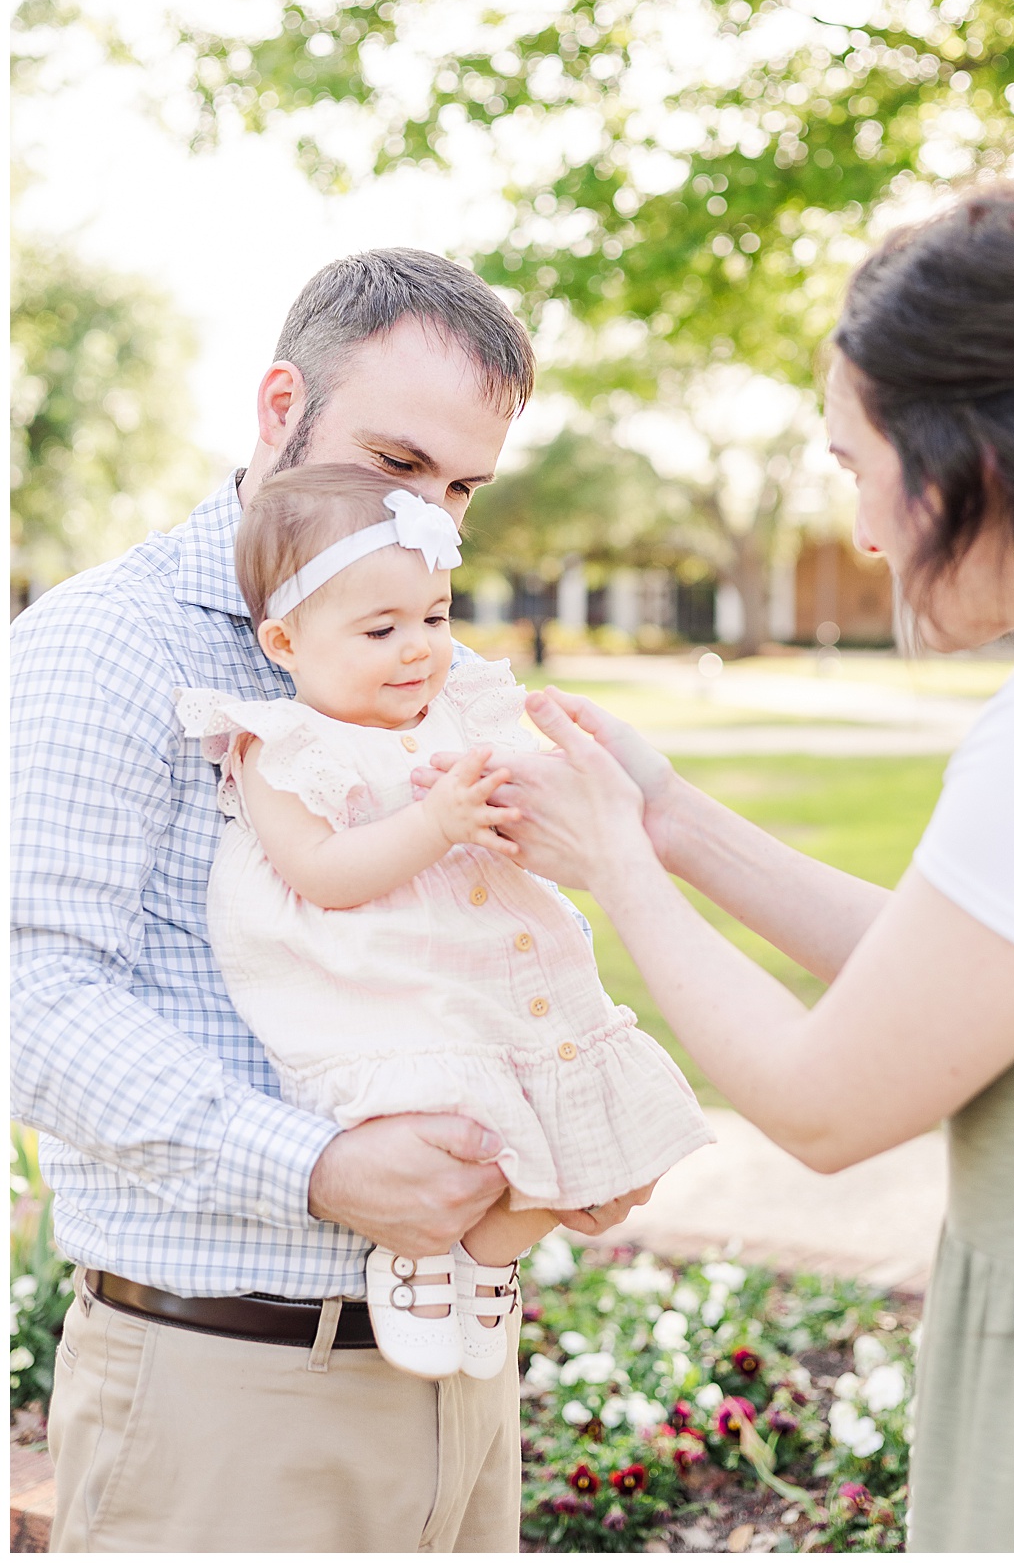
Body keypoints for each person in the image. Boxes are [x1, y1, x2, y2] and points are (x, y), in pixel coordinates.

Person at [453, 181, 1014, 1552]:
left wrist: (619, 863)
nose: (860, 529)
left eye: (854, 466)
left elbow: (825, 1106)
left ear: (960, 456)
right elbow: (943, 968)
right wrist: (670, 816)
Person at [10, 248, 650, 1554]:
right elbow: (27, 996)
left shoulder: (436, 664)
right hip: (228, 1393)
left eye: (462, 487)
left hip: (462, 1370)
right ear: (278, 406)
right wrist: (320, 1167)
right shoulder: (103, 643)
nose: (429, 516)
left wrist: (560, 1110)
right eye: (398, 463)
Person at [175, 464, 709, 1381]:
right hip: (395, 1005)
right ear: (286, 641)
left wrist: (521, 803)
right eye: (380, 629)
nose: (419, 648)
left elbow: (529, 820)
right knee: (458, 1148)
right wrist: (433, 824)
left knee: (616, 1153)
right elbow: (323, 874)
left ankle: (485, 1256)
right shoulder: (284, 743)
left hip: (510, 999)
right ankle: (420, 1254)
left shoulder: (460, 712)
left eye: (435, 616)